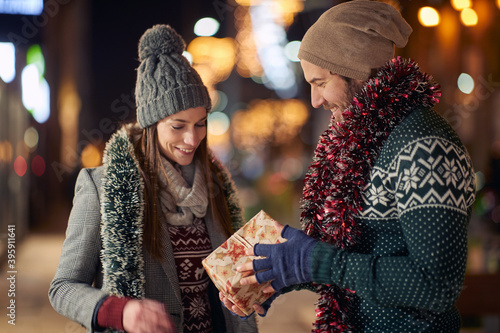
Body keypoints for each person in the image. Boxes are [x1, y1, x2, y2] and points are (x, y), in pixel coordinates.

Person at [221, 1, 476, 332]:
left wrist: (315, 261)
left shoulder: (425, 146)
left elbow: (435, 285)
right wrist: (282, 275)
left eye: (321, 82)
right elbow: (357, 265)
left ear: (356, 70)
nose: (315, 100)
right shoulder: (361, 142)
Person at [49, 24, 258, 333]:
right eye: (178, 126)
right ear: (152, 123)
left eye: (201, 123)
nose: (192, 137)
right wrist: (119, 312)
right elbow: (63, 288)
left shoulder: (217, 187)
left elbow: (230, 285)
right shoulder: (103, 187)